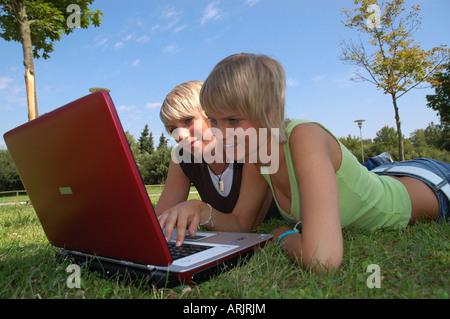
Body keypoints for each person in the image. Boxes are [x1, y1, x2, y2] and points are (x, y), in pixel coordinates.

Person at [199, 53, 450, 273]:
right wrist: (200, 211)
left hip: (433, 183)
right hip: (389, 174)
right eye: (213, 120)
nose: (220, 133)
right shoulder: (255, 155)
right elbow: (242, 223)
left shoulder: (304, 136)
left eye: (233, 120)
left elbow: (323, 260)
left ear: (270, 110)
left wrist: (281, 236)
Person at [156, 80, 274, 247]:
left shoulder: (251, 147)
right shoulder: (182, 157)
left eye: (188, 120)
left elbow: (244, 226)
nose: (180, 135)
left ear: (212, 113)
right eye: (171, 128)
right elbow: (158, 221)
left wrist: (201, 209)